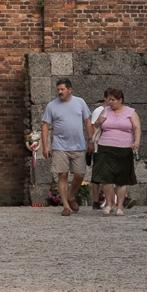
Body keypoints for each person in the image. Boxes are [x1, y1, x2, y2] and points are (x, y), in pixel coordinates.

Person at [41, 78, 93, 216]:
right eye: (58, 89)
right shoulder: (52, 105)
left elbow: (87, 122)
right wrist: (45, 146)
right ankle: (65, 206)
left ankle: (71, 195)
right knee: (62, 174)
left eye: (62, 89)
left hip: (78, 145)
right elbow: (45, 126)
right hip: (60, 145)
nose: (60, 92)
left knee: (80, 174)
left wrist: (91, 140)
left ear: (70, 89)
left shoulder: (80, 102)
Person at [90, 88, 140, 216]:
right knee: (106, 178)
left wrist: (137, 141)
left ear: (120, 100)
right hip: (105, 147)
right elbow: (95, 125)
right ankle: (109, 204)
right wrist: (99, 122)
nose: (110, 102)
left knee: (121, 179)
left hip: (124, 149)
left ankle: (120, 206)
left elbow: (137, 127)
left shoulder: (130, 112)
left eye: (113, 100)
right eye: (109, 100)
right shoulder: (105, 111)